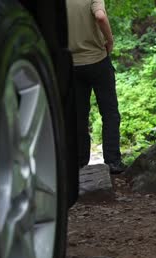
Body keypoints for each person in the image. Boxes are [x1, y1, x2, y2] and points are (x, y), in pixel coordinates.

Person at [66, 0, 126, 174]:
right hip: (98, 61)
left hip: (72, 65)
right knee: (109, 113)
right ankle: (113, 162)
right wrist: (110, 40)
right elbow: (100, 16)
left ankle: (80, 163)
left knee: (78, 117)